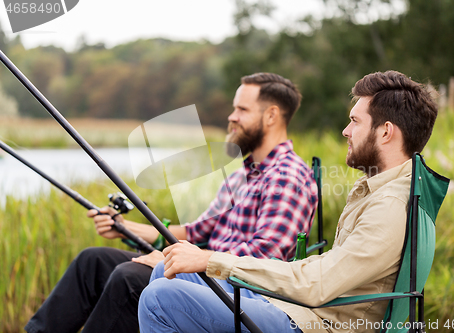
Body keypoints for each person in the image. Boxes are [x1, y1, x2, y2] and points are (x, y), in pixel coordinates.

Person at [137, 70, 439, 333]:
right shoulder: (384, 189)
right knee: (167, 271)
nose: (346, 131)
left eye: (355, 121)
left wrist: (213, 260)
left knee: (158, 298)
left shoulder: (388, 206)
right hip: (307, 309)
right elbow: (330, 269)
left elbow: (319, 283)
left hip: (317, 324)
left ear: (385, 132)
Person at [25, 73, 318, 333]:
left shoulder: (287, 176)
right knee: (93, 261)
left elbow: (265, 255)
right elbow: (197, 231)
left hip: (232, 289)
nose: (232, 117)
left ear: (271, 116)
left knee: (128, 278)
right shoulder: (244, 173)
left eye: (242, 109)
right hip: (202, 271)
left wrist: (183, 262)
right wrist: (128, 228)